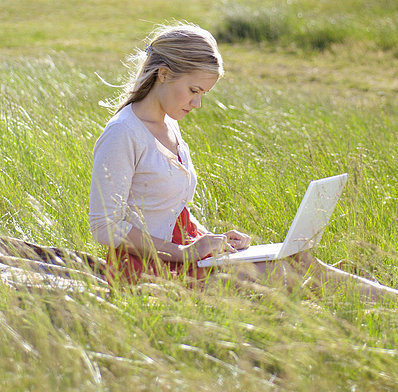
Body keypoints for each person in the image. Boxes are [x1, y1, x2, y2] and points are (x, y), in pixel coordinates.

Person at [89, 22, 398, 301]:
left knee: (301, 260)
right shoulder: (123, 134)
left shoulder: (168, 124)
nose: (197, 103)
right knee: (290, 273)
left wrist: (216, 241)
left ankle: (387, 299)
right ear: (164, 74)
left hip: (186, 254)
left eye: (203, 93)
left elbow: (169, 209)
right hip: (150, 269)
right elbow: (105, 227)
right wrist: (185, 253)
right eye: (193, 90)